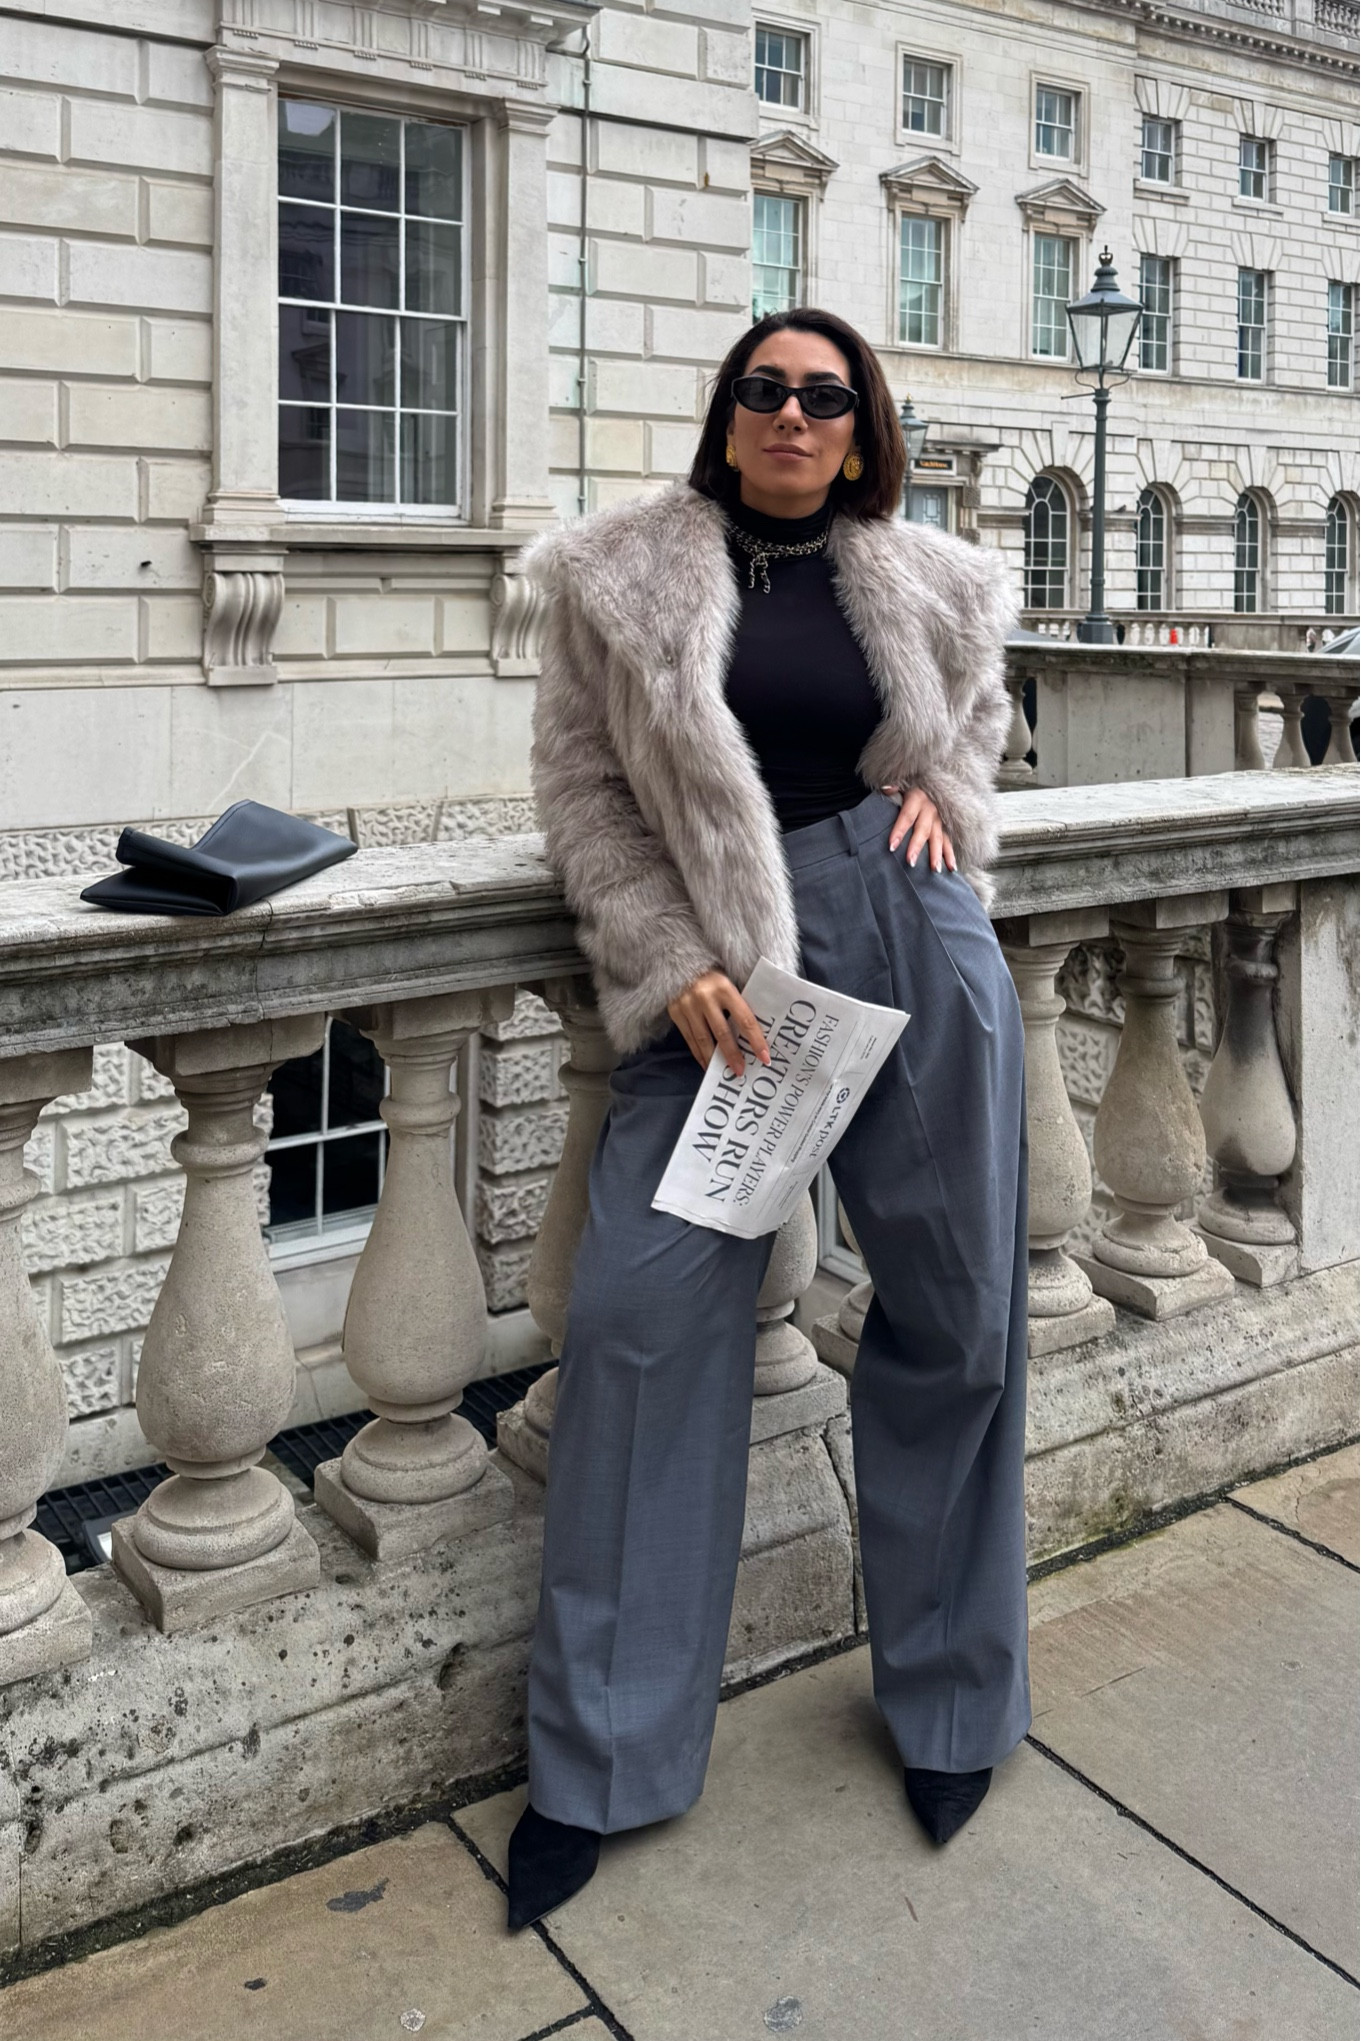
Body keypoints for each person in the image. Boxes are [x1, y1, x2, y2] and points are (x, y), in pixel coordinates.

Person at [507, 307, 1029, 1932]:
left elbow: (978, 721)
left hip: (907, 935)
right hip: (721, 984)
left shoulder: (932, 576)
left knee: (960, 1315)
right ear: (726, 414)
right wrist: (664, 957)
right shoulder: (614, 575)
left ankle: (952, 1704)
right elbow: (586, 796)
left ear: (862, 429)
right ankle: (599, 1758)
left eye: (825, 395)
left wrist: (949, 796)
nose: (792, 414)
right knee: (636, 1327)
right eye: (765, 390)